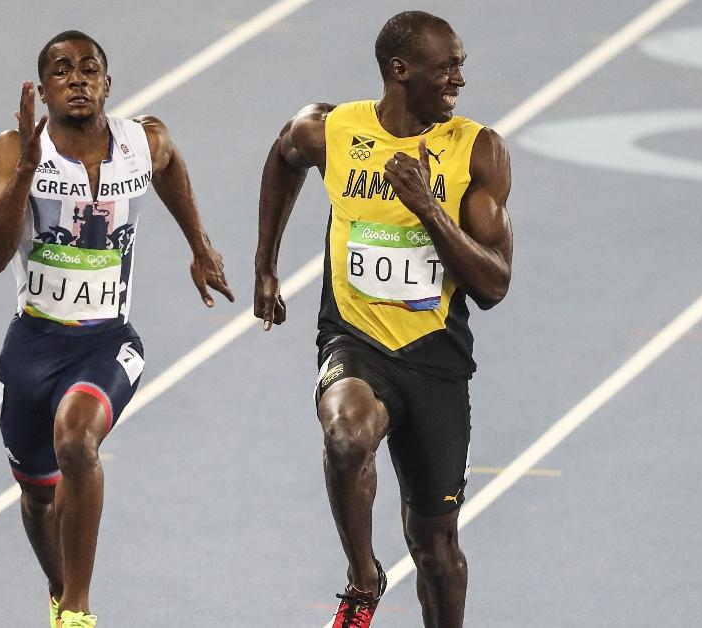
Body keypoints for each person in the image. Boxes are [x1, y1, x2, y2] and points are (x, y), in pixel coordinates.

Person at [254, 10, 513, 628]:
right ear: (400, 71)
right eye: (446, 66)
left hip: (434, 356)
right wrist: (265, 263)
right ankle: (363, 577)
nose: (458, 79)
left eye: (461, 66)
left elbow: (494, 285)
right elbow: (284, 155)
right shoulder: (331, 129)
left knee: (436, 549)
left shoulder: (476, 151)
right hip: (354, 337)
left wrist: (427, 207)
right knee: (346, 437)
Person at [0, 30, 234, 628]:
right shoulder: (14, 150)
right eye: (61, 71)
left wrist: (199, 244)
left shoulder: (144, 143)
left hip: (107, 340)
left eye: (90, 68)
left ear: (108, 84)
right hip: (33, 345)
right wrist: (25, 176)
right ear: (43, 91)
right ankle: (62, 595)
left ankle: (79, 610)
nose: (77, 79)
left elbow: (168, 166)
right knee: (38, 497)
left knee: (76, 440)